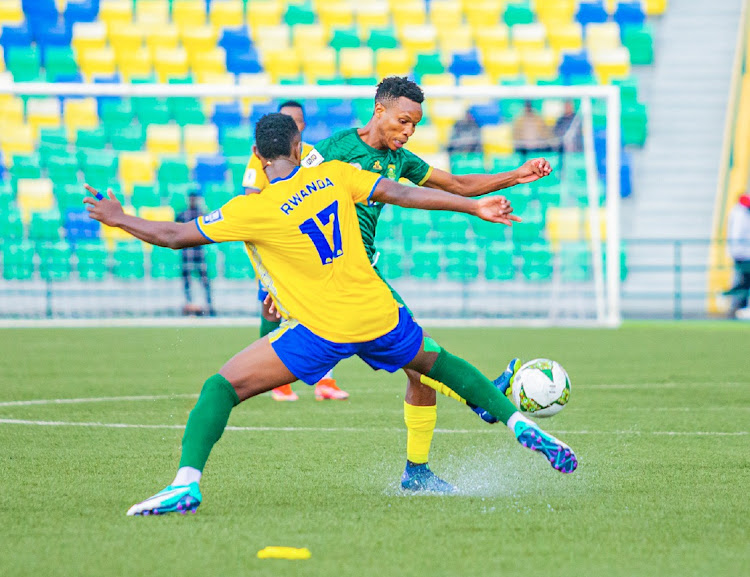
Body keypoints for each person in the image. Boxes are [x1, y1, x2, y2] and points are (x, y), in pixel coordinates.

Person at [83, 113, 578, 517]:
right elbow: (401, 194)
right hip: (380, 313)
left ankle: (185, 483)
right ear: (301, 149)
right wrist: (475, 209)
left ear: (258, 155)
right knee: (436, 363)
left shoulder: (249, 209)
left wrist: (119, 217)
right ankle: (516, 421)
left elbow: (173, 235)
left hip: (322, 330)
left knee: (222, 387)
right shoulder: (335, 174)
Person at [301, 77, 553, 492]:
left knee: (419, 367)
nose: (407, 132)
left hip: (366, 272)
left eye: (414, 126)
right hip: (340, 276)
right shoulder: (333, 151)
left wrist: (517, 175)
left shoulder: (399, 160)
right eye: (402, 121)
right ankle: (480, 399)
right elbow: (284, 204)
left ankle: (417, 471)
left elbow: (455, 185)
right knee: (421, 354)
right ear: (378, 111)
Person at [243, 100, 347, 402]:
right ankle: (276, 381)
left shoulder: (312, 155)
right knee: (274, 307)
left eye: (298, 120)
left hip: (310, 247)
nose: (293, 124)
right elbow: (252, 198)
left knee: (325, 313)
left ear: (302, 127)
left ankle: (325, 381)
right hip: (278, 246)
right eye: (287, 119)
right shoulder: (260, 159)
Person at [176, 191, 214, 316]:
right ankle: (189, 303)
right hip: (187, 254)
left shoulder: (201, 214)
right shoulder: (184, 214)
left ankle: (209, 304)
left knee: (204, 280)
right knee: (187, 281)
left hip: (198, 254)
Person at [725, 193, 750, 318]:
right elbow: (738, 235)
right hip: (743, 254)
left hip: (743, 253)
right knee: (745, 281)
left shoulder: (739, 213)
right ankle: (735, 304)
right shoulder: (740, 214)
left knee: (745, 281)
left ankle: (739, 307)